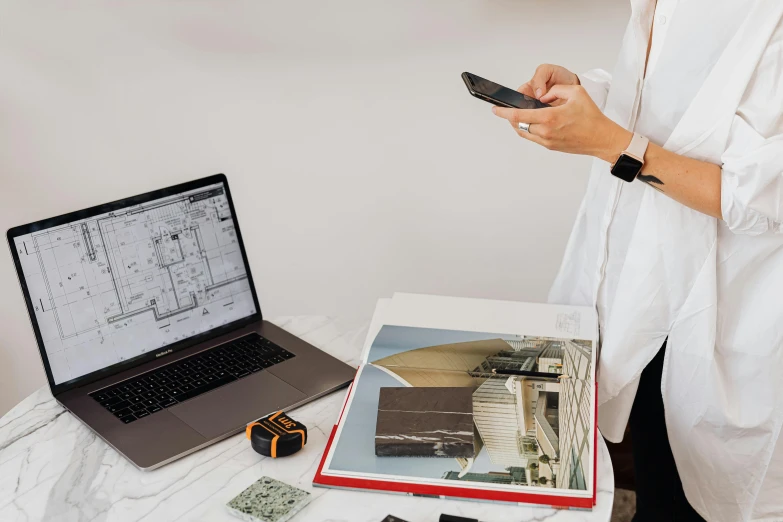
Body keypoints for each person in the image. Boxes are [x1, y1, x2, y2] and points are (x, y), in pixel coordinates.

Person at [490, 1, 783, 521]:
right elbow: (680, 105)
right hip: (643, 294)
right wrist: (589, 99)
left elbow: (757, 193)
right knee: (652, 468)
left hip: (724, 318)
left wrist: (610, 143)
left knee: (699, 496)